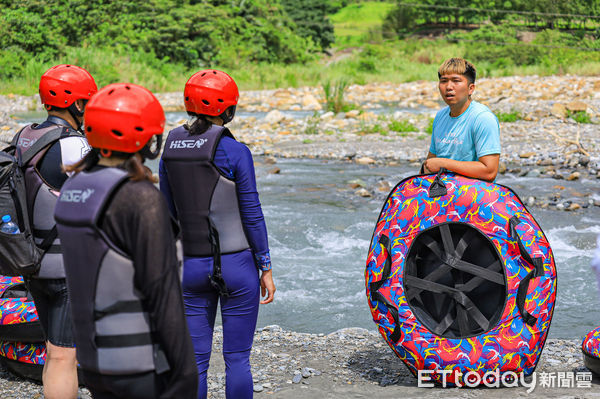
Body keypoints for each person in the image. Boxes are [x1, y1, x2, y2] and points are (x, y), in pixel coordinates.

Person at [53, 83, 197, 399]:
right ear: (142, 137)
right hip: (140, 365)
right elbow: (163, 293)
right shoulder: (139, 199)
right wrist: (187, 374)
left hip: (94, 364)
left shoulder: (73, 189)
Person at [159, 69, 275, 399]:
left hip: (189, 268)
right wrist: (265, 266)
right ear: (229, 110)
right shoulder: (236, 152)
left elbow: (167, 213)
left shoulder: (170, 147)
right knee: (237, 359)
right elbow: (252, 215)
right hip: (237, 267)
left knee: (194, 362)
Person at [13, 64, 97, 399]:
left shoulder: (25, 135)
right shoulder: (74, 145)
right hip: (66, 267)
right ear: (76, 104)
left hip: (30, 261)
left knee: (53, 350)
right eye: (86, 102)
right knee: (65, 354)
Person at [423, 58, 501, 182]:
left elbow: (489, 171)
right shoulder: (440, 117)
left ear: (471, 88)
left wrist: (444, 163)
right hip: (444, 193)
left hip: (475, 195)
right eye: (443, 81)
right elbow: (430, 163)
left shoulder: (483, 118)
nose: (449, 87)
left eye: (456, 81)